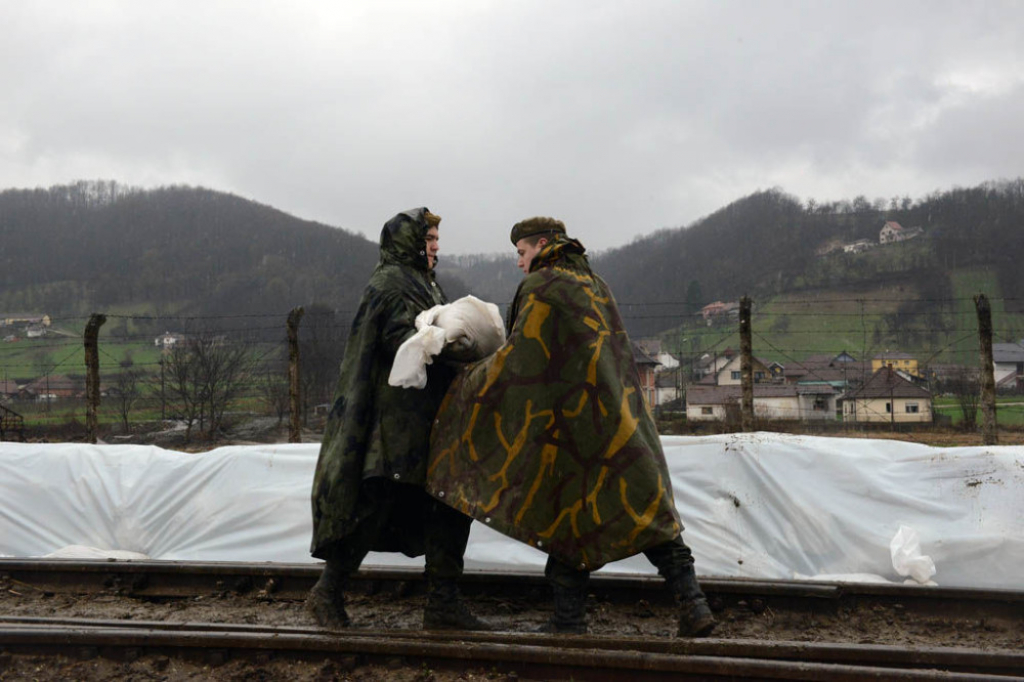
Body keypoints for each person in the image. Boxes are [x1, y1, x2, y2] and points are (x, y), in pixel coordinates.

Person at [426, 216, 715, 636]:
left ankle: (569, 620)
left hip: (572, 426)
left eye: (522, 254)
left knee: (568, 513)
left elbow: (522, 359)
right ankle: (692, 604)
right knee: (644, 509)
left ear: (542, 245)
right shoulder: (595, 283)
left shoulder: (541, 287)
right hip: (619, 418)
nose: (519, 264)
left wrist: (469, 378)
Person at [307, 207, 489, 631]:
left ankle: (443, 602)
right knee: (375, 504)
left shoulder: (421, 282)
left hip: (426, 417)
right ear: (410, 243)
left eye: (436, 240)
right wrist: (447, 341)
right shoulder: (390, 284)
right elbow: (397, 340)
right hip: (394, 421)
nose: (436, 246)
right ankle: (327, 591)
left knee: (448, 502)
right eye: (429, 239)